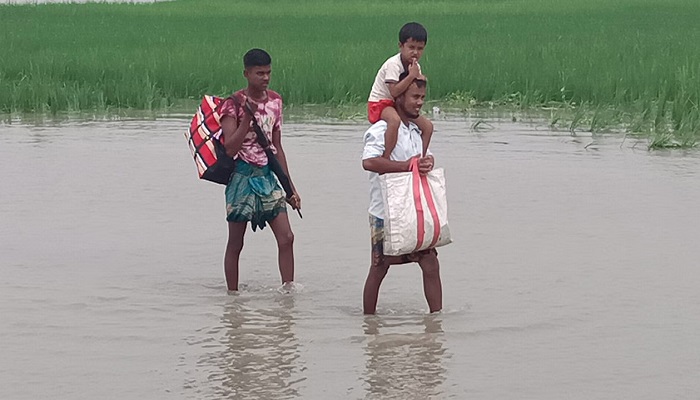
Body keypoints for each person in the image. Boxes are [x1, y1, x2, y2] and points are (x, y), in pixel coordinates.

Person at [218, 48, 301, 292]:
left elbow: (277, 147)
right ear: (246, 73)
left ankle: (288, 293)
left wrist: (290, 187)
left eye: (268, 73)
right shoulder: (232, 105)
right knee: (236, 242)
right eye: (259, 73)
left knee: (287, 237)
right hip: (241, 177)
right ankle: (232, 297)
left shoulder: (275, 101)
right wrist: (246, 120)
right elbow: (230, 148)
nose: (265, 78)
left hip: (267, 176)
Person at [361, 73, 442, 314]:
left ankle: (436, 322)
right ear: (398, 98)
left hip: (411, 210)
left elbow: (417, 163)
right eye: (415, 97)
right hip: (384, 213)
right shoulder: (381, 129)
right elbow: (369, 162)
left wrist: (426, 163)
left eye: (422, 98)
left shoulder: (415, 131)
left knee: (430, 263)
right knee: (379, 267)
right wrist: (406, 166)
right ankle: (369, 323)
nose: (419, 102)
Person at [367, 22, 434, 160]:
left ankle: (421, 157)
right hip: (381, 103)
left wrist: (421, 79)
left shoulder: (415, 67)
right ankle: (386, 156)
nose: (415, 52)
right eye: (411, 47)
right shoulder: (393, 64)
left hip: (398, 104)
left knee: (428, 127)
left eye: (420, 49)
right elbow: (394, 92)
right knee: (395, 121)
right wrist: (411, 76)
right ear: (400, 46)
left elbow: (416, 87)